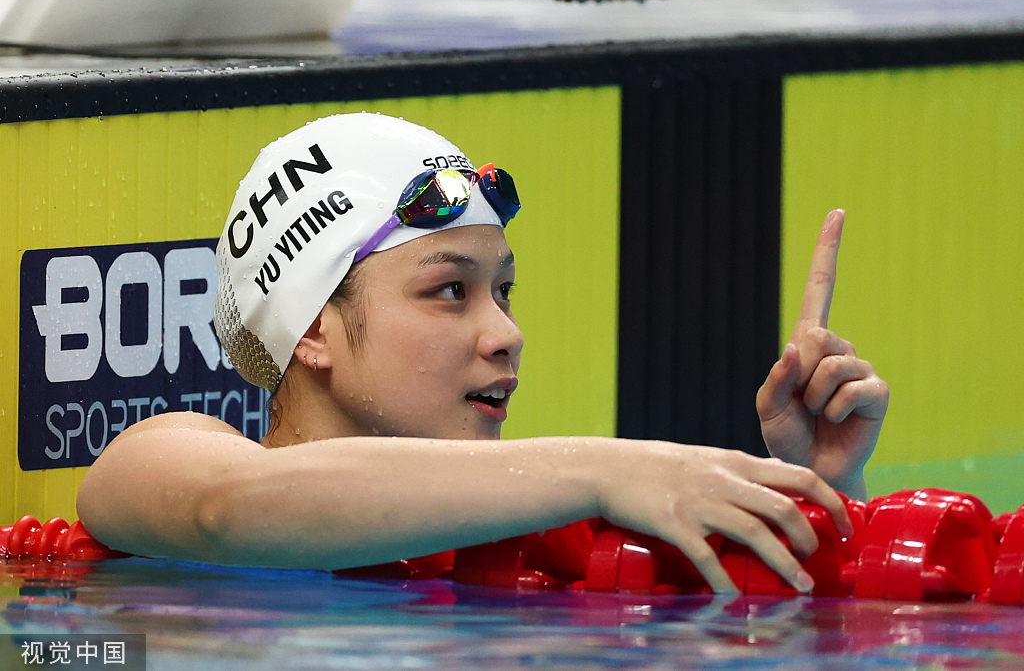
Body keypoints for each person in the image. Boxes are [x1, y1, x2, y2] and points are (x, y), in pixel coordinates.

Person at [76, 113, 888, 594]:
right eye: (449, 291)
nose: (506, 333)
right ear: (314, 329)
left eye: (502, 290)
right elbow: (231, 510)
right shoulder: (164, 463)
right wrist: (611, 468)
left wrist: (825, 488)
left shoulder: (525, 537)